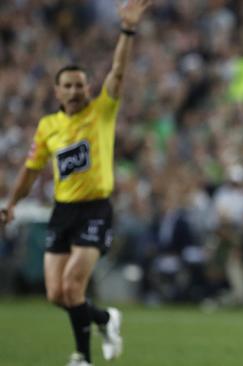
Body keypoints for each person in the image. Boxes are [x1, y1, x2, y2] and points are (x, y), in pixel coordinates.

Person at [0, 1, 151, 365]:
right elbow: (31, 170)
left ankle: (82, 357)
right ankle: (104, 318)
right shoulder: (48, 127)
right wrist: (12, 202)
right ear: (57, 92)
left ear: (87, 88)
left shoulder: (101, 112)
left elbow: (118, 71)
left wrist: (127, 31)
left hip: (95, 209)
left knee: (72, 286)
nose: (73, 91)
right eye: (66, 86)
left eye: (79, 85)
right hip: (62, 210)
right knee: (55, 293)